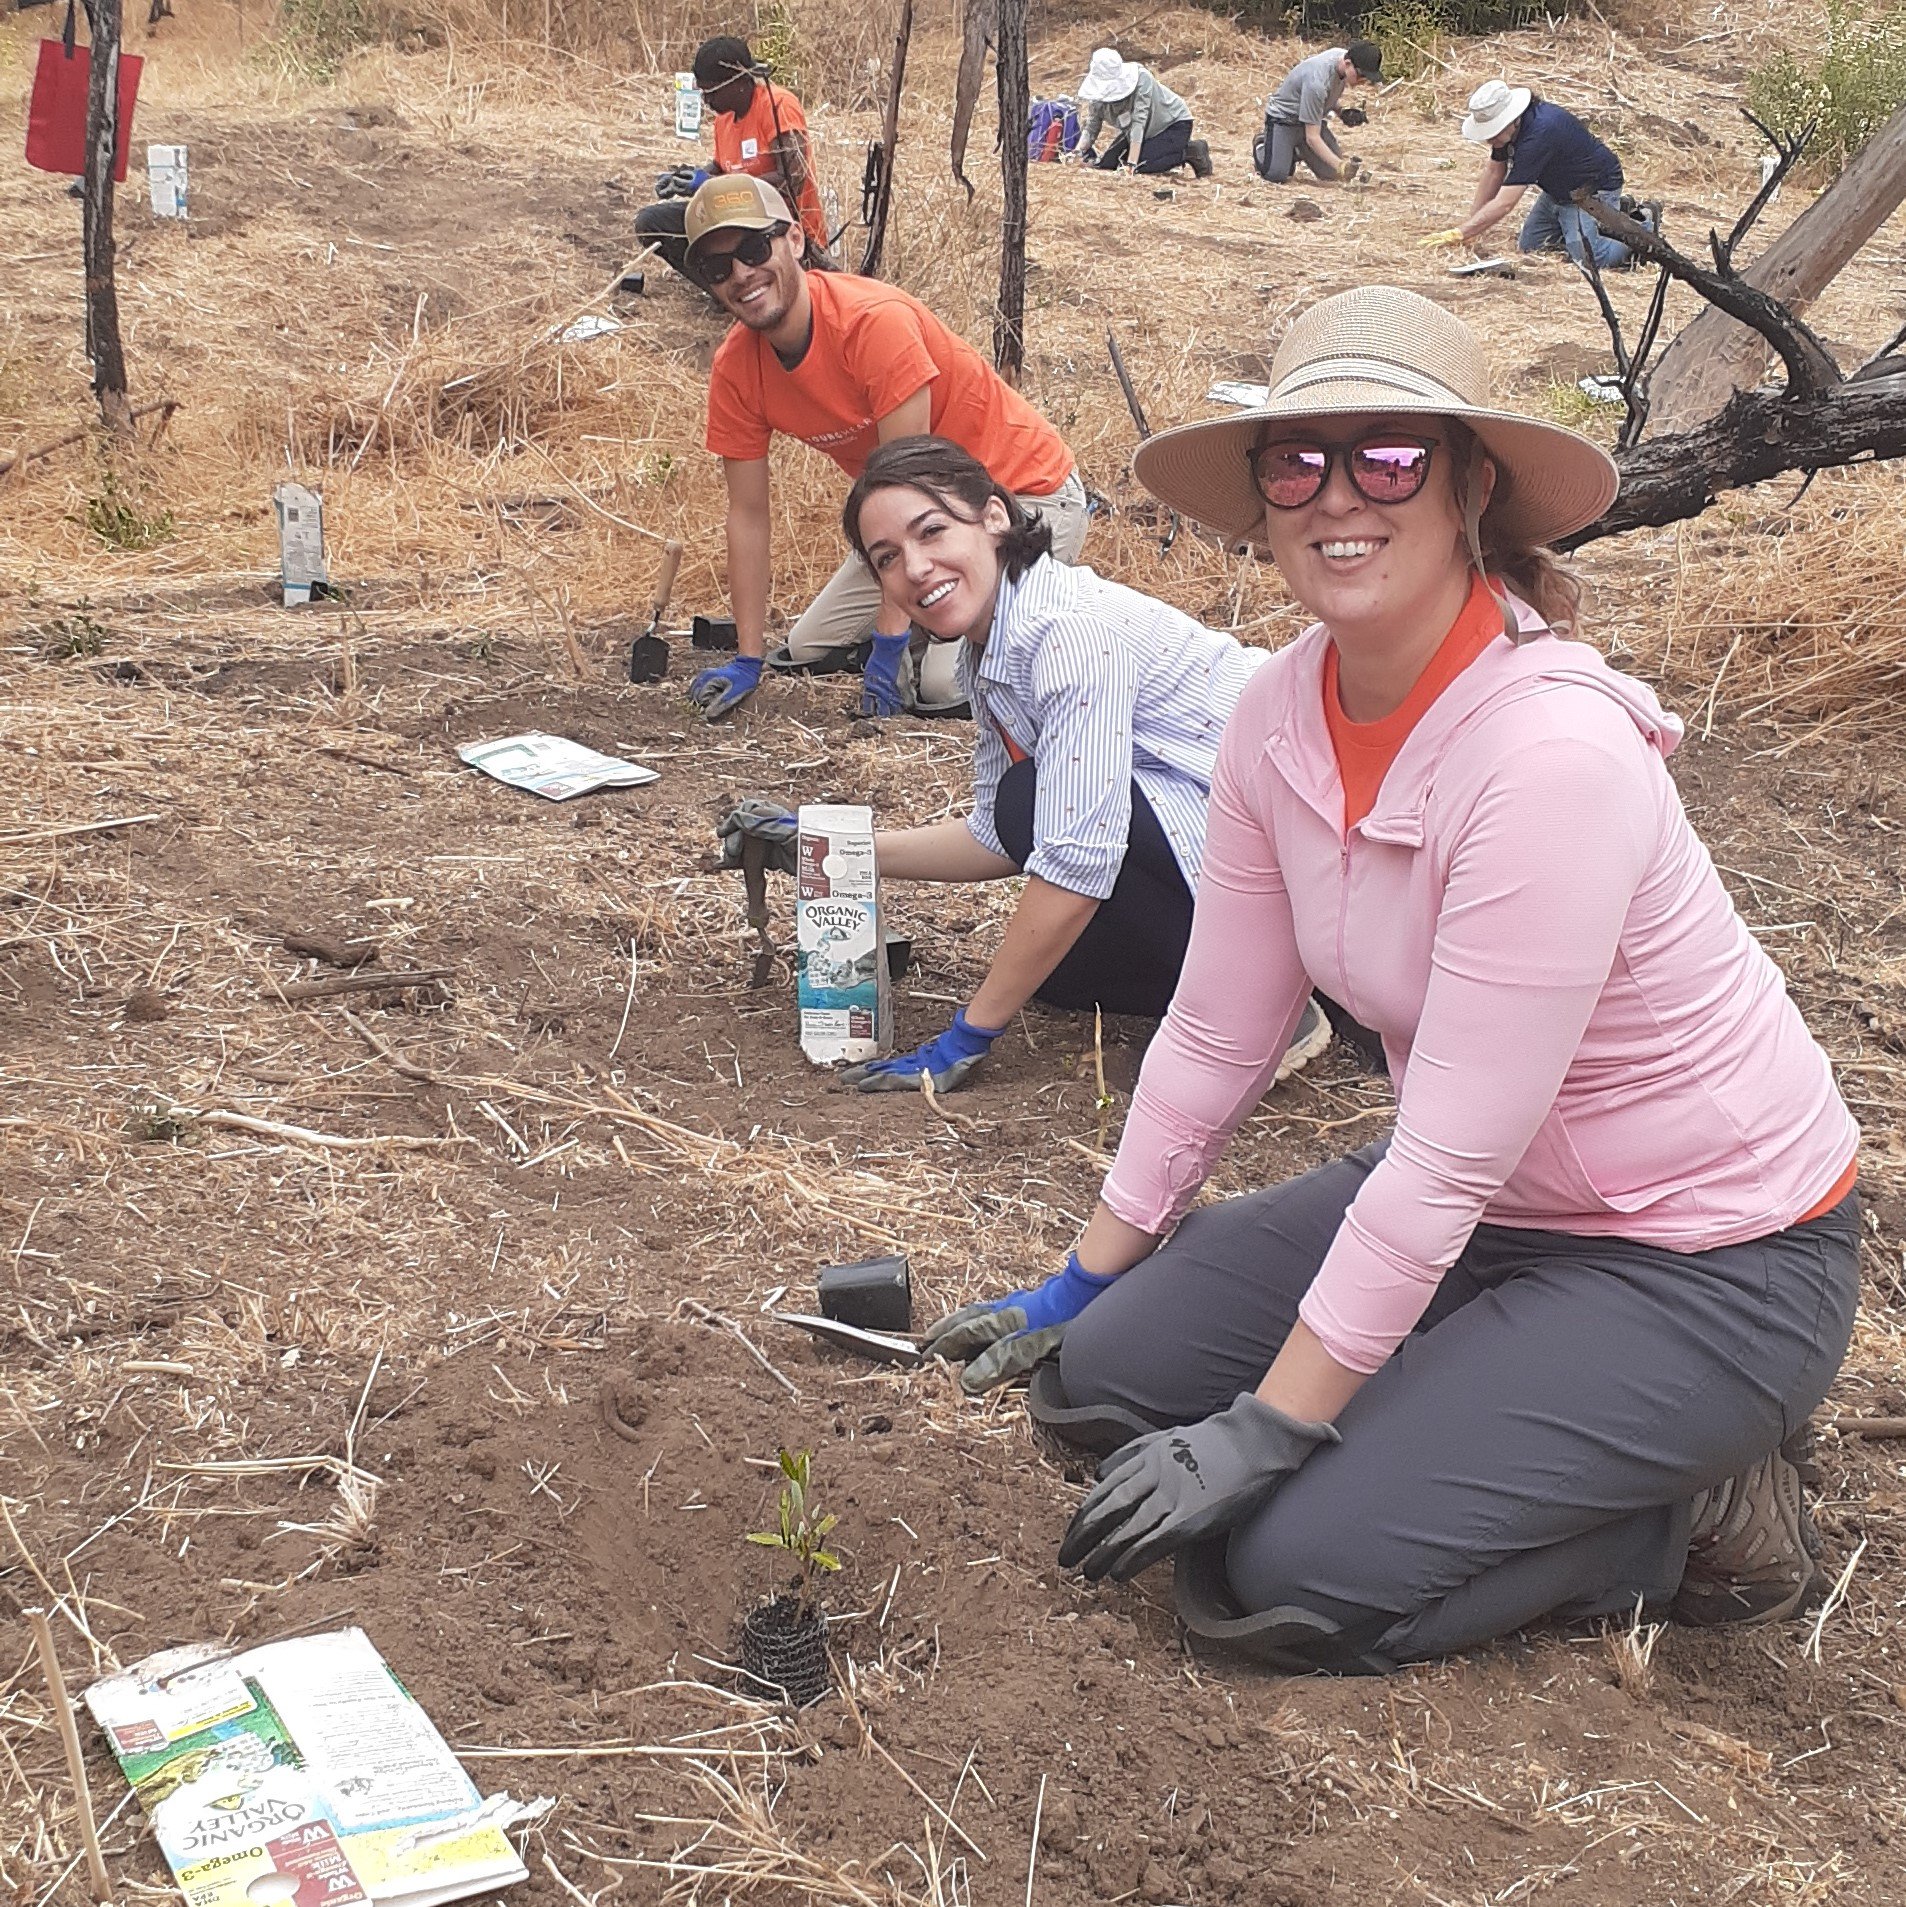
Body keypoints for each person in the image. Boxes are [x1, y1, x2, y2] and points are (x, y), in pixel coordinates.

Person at [927, 286, 1861, 1671]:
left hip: (1703, 1256)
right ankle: (1477, 1395)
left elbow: (1441, 1159)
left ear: (1470, 484)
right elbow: (1216, 1026)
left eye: (1386, 455)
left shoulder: (1548, 756)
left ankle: (1673, 1513)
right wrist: (1076, 1275)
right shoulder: (1275, 713)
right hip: (1492, 1208)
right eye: (1296, 460)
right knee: (1097, 1385)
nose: (1334, 496)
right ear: (1258, 495)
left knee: (1274, 1568)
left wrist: (1275, 1420)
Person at [715, 436, 1332, 1098]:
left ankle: (1268, 1002)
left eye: (933, 532)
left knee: (1033, 802)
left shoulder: (1062, 632)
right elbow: (994, 835)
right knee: (1062, 975)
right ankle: (1263, 979)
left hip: (1310, 842)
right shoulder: (994, 648)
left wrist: (969, 1034)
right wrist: (829, 845)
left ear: (995, 518)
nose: (916, 568)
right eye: (889, 558)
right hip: (1230, 836)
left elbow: (1076, 853)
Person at [682, 175, 1087, 722]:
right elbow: (748, 515)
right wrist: (749, 657)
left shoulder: (872, 324)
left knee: (944, 686)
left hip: (1021, 497)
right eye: (717, 268)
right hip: (920, 520)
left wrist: (890, 642)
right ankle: (942, 620)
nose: (742, 275)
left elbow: (909, 486)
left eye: (755, 249)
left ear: (795, 241)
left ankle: (1043, 605)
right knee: (809, 650)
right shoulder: (735, 368)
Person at [634, 36, 829, 280]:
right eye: (703, 93)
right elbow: (721, 166)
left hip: (777, 227)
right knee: (651, 221)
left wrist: (712, 186)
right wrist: (687, 179)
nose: (707, 101)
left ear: (737, 82)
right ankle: (722, 291)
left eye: (712, 92)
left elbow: (792, 180)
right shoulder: (723, 119)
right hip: (734, 220)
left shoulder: (778, 106)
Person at [1421, 79, 1632, 270]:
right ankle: (1580, 229)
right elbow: (1494, 171)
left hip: (1590, 192)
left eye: (1492, 132)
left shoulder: (1539, 135)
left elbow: (1505, 203)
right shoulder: (1510, 131)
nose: (1489, 140)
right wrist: (1471, 225)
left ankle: (1638, 229)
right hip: (1557, 190)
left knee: (1589, 259)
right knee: (1532, 248)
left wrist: (1462, 232)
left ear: (1512, 119)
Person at [1256, 41, 1381, 184]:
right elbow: (1312, 137)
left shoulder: (1340, 59)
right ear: (1347, 63)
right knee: (1275, 175)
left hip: (1310, 121)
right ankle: (1262, 144)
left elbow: (1321, 99)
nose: (1362, 81)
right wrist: (1341, 166)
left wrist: (1342, 112)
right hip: (1284, 121)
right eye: (1360, 75)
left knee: (1332, 175)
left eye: (1367, 78)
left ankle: (1293, 151)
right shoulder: (1317, 82)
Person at [1076, 48, 1212, 178]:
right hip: (1140, 133)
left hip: (1172, 125)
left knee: (1142, 164)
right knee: (1110, 163)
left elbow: (1139, 122)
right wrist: (1077, 153)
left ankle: (1191, 151)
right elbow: (1092, 125)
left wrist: (1132, 165)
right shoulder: (1096, 97)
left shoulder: (1142, 79)